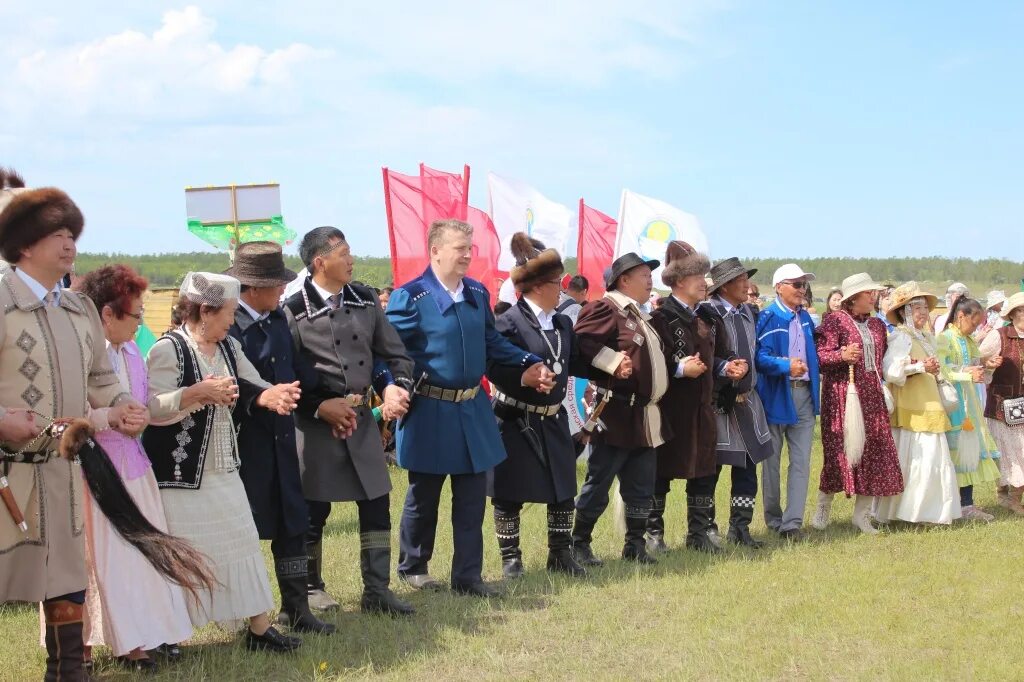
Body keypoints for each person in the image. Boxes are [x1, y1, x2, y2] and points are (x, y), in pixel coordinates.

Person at [0, 184, 154, 679]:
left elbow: (100, 377)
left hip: (65, 474)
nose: (69, 244)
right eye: (55, 234)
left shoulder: (79, 309)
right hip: (8, 477)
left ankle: (68, 673)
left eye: (72, 233)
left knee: (65, 581)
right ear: (23, 243)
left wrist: (123, 402)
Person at [386, 219, 548, 597]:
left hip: (472, 410)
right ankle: (414, 566)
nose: (467, 255)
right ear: (435, 251)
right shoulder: (410, 297)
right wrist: (393, 386)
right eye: (459, 248)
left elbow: (491, 342)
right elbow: (391, 351)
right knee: (424, 495)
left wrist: (527, 359)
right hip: (429, 411)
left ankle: (468, 576)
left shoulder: (476, 292)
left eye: (469, 248)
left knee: (472, 497)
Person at [144, 272, 304, 653]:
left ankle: (260, 628)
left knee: (243, 542)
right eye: (228, 312)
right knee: (182, 553)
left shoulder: (229, 346)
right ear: (204, 310)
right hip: (180, 475)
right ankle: (167, 634)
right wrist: (195, 393)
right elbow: (151, 409)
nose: (233, 320)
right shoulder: (169, 350)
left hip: (224, 466)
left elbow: (251, 381)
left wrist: (274, 394)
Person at [283, 227, 417, 615]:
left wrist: (394, 387)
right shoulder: (292, 309)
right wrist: (319, 406)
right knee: (314, 509)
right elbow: (286, 373)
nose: (352, 259)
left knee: (376, 500)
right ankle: (310, 588)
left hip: (361, 420)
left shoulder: (365, 300)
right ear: (319, 261)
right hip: (316, 422)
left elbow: (394, 355)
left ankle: (377, 590)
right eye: (343, 252)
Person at [74, 265, 193, 672]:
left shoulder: (132, 353)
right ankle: (81, 643)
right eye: (135, 314)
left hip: (135, 469)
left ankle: (140, 638)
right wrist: (111, 416)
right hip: (94, 472)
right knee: (95, 561)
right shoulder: (82, 355)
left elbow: (146, 406)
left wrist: (181, 401)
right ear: (106, 315)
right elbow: (69, 413)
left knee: (138, 556)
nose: (142, 321)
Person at [226, 241, 344, 633]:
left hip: (283, 440)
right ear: (253, 288)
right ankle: (245, 617)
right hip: (243, 444)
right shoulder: (229, 326)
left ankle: (296, 609)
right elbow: (223, 381)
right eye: (277, 285)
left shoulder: (278, 320)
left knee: (292, 521)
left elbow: (297, 370)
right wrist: (260, 397)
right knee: (242, 530)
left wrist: (332, 395)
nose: (283, 291)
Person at [487, 234, 621, 578]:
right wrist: (523, 378)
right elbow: (493, 366)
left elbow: (575, 360)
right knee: (509, 492)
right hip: (514, 418)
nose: (560, 288)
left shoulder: (562, 322)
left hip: (552, 419)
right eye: (554, 282)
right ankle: (511, 559)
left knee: (563, 489)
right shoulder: (508, 322)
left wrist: (612, 364)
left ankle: (560, 554)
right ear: (536, 286)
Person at [572, 252, 673, 566]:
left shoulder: (639, 313)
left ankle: (634, 545)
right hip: (615, 413)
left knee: (641, 486)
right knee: (599, 482)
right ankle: (579, 544)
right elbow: (582, 341)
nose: (650, 280)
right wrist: (612, 362)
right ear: (624, 279)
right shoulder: (605, 308)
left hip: (644, 416)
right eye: (644, 274)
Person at [647, 243, 729, 554]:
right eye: (698, 275)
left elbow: (717, 356)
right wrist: (680, 368)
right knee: (661, 472)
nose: (704, 282)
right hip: (671, 410)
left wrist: (727, 365)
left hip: (702, 408)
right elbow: (652, 366)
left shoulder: (707, 317)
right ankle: (653, 534)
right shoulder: (660, 319)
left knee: (705, 472)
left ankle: (698, 533)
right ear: (679, 280)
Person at [812, 273, 902, 534]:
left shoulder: (876, 325)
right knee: (839, 451)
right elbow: (819, 356)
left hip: (872, 396)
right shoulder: (834, 321)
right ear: (853, 298)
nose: (873, 297)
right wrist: (842, 354)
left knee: (873, 450)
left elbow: (884, 360)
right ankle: (823, 506)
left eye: (874, 292)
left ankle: (861, 516)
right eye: (868, 293)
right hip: (843, 395)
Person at [702, 258, 775, 548]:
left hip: (748, 402)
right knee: (712, 470)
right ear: (725, 285)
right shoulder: (708, 314)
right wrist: (724, 368)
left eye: (746, 278)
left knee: (747, 468)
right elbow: (706, 355)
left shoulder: (748, 312)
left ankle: (740, 528)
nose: (747, 285)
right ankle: (706, 528)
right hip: (720, 403)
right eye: (741, 279)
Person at [874, 282, 959, 526]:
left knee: (931, 460)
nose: (923, 312)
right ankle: (913, 513)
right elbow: (890, 371)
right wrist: (921, 367)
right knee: (918, 460)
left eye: (924, 307)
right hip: (912, 408)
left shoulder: (925, 337)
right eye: (916, 307)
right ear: (904, 311)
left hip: (928, 403)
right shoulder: (901, 336)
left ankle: (928, 513)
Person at [755, 263, 820, 541]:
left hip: (804, 394)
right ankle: (773, 518)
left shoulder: (805, 318)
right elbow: (758, 357)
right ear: (779, 287)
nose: (801, 289)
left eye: (803, 284)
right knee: (771, 462)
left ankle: (792, 523)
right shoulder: (768, 317)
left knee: (802, 461)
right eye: (796, 284)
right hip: (776, 395)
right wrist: (785, 366)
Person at [938, 296, 1002, 521]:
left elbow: (974, 364)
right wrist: (966, 373)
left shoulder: (968, 340)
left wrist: (985, 364)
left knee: (969, 453)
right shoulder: (945, 338)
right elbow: (941, 369)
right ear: (961, 316)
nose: (975, 328)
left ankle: (967, 505)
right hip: (953, 403)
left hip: (970, 403)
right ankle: (954, 504)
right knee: (955, 454)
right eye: (973, 323)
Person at [979, 292, 1024, 515]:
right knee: (1013, 452)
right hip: (1003, 405)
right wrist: (988, 363)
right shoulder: (1000, 336)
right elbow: (976, 360)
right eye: (1022, 310)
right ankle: (1009, 497)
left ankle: (1010, 496)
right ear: (1013, 314)